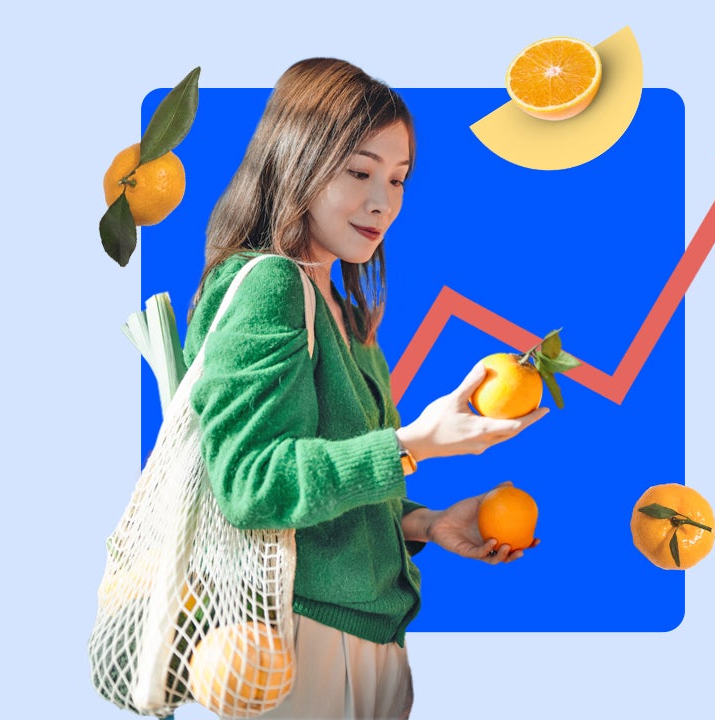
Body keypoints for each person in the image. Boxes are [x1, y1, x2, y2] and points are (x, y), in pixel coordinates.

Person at [182, 57, 547, 719]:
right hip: (297, 645)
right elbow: (252, 484)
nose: (383, 201)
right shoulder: (269, 286)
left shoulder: (345, 314)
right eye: (359, 171)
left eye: (398, 179)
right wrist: (413, 445)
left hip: (370, 645)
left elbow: (327, 498)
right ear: (297, 159)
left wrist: (423, 523)